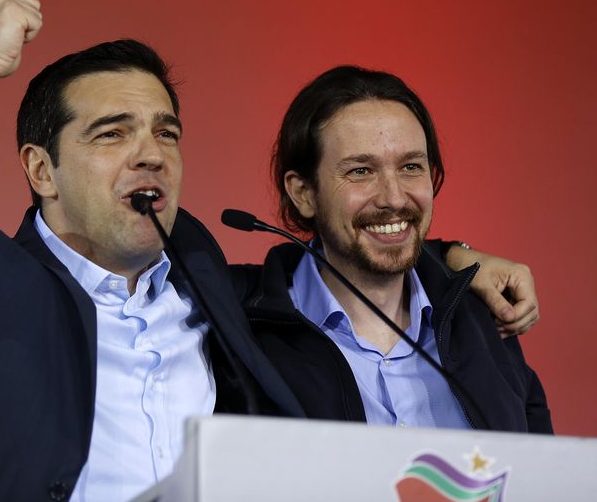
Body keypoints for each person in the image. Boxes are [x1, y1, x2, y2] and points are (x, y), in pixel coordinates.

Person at [0, 0, 544, 501]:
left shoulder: (219, 290)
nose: (151, 151)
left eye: (166, 131)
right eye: (112, 132)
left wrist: (456, 260)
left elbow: (357, 244)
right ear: (41, 170)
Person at [232, 65, 552, 432]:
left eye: (411, 167)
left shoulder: (480, 320)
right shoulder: (241, 329)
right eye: (360, 171)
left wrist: (456, 258)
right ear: (303, 193)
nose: (394, 197)